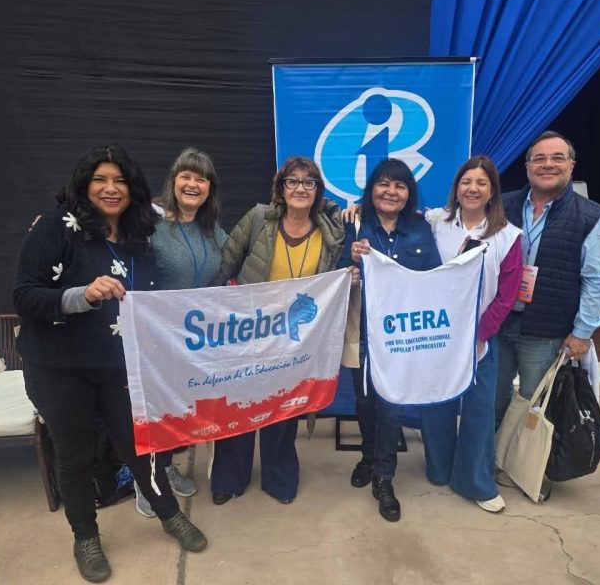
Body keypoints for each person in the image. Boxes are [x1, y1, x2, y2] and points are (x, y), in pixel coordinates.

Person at [14, 145, 207, 583]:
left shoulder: (140, 236)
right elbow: (24, 296)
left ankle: (169, 514)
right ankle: (85, 536)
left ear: (133, 188)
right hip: (60, 367)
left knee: (142, 445)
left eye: (119, 180)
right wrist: (81, 295)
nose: (110, 188)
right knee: (74, 454)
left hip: (119, 365)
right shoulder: (56, 227)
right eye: (100, 179)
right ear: (84, 185)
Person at [208, 156, 348, 505]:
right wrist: (206, 309)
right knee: (238, 405)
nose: (300, 188)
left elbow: (333, 280)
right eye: (292, 181)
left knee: (283, 409)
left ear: (317, 190)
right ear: (281, 188)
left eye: (308, 182)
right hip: (249, 332)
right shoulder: (258, 219)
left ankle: (279, 478)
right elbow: (225, 265)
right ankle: (229, 478)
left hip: (292, 339)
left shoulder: (330, 234)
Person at [496, 131, 600, 492]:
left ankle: (524, 467)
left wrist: (582, 333)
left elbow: (597, 280)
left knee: (535, 402)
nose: (548, 164)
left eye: (557, 158)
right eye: (539, 158)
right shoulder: (503, 206)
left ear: (571, 166)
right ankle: (490, 458)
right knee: (493, 397)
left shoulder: (590, 217)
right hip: (498, 323)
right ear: (527, 166)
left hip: (546, 329)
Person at [418, 156, 523, 513]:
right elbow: (396, 220)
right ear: (457, 187)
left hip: (480, 339)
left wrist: (481, 332)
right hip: (438, 335)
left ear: (493, 191)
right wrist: (357, 210)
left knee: (479, 410)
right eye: (466, 181)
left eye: (481, 183)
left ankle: (475, 480)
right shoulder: (437, 222)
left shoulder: (507, 236)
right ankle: (439, 468)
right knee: (437, 404)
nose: (472, 189)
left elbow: (507, 293)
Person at [129, 147, 228, 517]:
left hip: (195, 343)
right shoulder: (149, 227)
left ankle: (166, 467)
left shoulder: (212, 231)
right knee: (154, 410)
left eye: (201, 179)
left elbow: (237, 262)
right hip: (155, 340)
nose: (193, 184)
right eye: (186, 176)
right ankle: (145, 481)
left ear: (209, 188)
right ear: (173, 181)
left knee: (178, 409)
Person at [344, 157, 442, 522]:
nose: (391, 191)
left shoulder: (420, 228)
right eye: (384, 184)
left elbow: (434, 278)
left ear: (409, 193)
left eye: (399, 186)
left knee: (391, 407)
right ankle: (368, 456)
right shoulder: (354, 223)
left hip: (401, 337)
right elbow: (336, 273)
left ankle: (384, 477)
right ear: (371, 189)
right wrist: (350, 267)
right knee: (365, 402)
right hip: (362, 333)